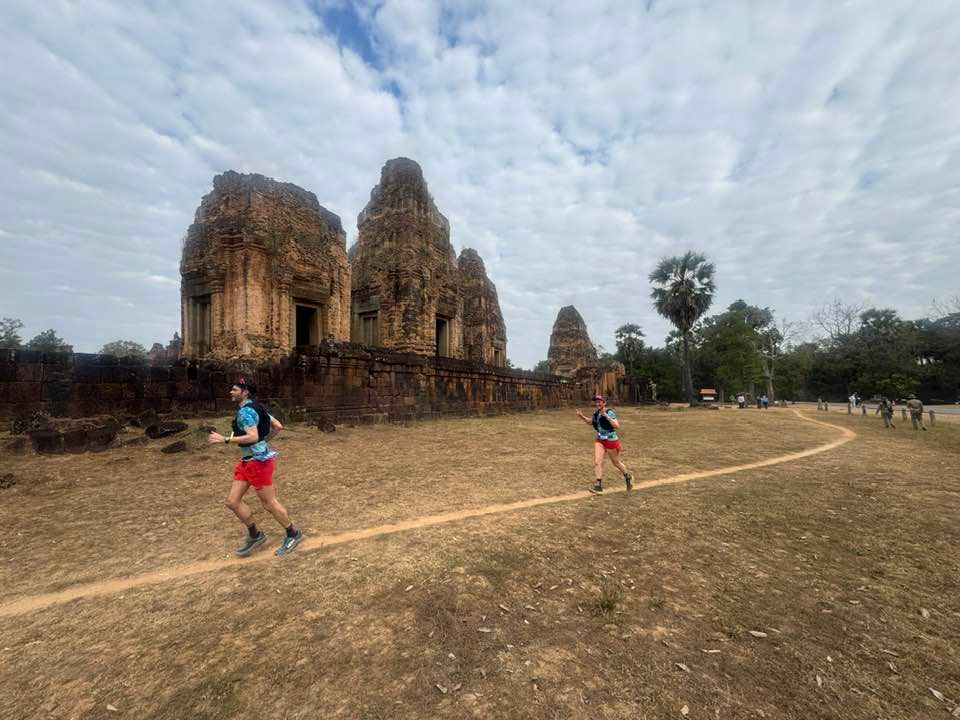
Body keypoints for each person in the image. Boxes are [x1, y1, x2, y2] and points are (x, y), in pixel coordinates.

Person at [208, 378, 304, 556]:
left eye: (235, 390)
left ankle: (293, 533)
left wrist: (225, 439)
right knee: (232, 501)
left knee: (269, 503)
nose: (231, 392)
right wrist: (263, 441)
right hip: (248, 461)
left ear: (245, 392)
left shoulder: (246, 412)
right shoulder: (257, 407)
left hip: (258, 463)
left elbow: (252, 436)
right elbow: (278, 426)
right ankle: (255, 535)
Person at [575, 394, 633, 494]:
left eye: (599, 401)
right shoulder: (596, 413)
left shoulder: (609, 412)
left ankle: (628, 476)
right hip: (600, 440)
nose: (597, 403)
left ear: (604, 402)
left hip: (611, 440)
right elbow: (591, 422)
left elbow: (616, 425)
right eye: (596, 401)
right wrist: (581, 417)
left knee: (616, 462)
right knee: (598, 462)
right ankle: (598, 485)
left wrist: (606, 416)